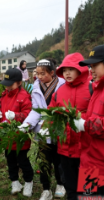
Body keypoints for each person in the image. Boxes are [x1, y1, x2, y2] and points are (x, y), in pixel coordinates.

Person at [18, 59, 66, 200]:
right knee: (44, 160)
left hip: (57, 129)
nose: (39, 77)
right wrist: (27, 124)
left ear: (52, 72)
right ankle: (46, 189)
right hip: (42, 131)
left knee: (58, 160)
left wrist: (52, 121)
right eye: (37, 73)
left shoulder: (62, 85)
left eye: (42, 74)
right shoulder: (36, 86)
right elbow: (36, 110)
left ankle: (60, 184)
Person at [48, 53, 92, 200]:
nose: (67, 73)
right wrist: (50, 125)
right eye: (64, 70)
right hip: (65, 148)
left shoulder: (92, 88)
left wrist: (82, 121)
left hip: (87, 148)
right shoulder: (59, 91)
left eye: (71, 69)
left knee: (90, 189)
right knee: (70, 186)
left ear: (81, 70)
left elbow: (98, 114)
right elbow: (51, 111)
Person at [0, 68, 34, 197]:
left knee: (23, 161)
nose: (8, 87)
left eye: (11, 84)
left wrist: (16, 116)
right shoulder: (3, 95)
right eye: (6, 84)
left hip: (20, 136)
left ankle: (28, 182)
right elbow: (0, 115)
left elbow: (29, 115)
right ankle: (15, 181)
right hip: (7, 137)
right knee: (10, 160)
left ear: (19, 83)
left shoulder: (24, 96)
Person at [75, 45, 104, 195]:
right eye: (90, 66)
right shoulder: (97, 88)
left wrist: (86, 124)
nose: (90, 70)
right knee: (89, 197)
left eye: (94, 66)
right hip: (89, 159)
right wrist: (79, 118)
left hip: (100, 163)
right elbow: (95, 116)